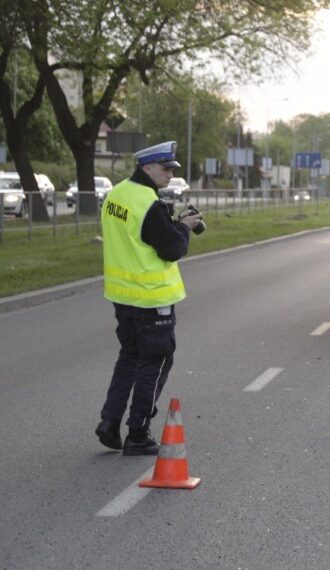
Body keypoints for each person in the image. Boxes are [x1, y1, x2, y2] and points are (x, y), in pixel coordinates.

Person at [95, 141, 202, 455]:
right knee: (155, 361)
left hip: (121, 294)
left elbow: (135, 236)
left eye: (172, 169)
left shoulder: (117, 194)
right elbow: (170, 249)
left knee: (129, 356)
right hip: (151, 298)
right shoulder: (149, 203)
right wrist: (182, 227)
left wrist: (172, 223)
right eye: (166, 168)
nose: (170, 174)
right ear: (147, 167)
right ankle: (138, 431)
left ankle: (109, 422)